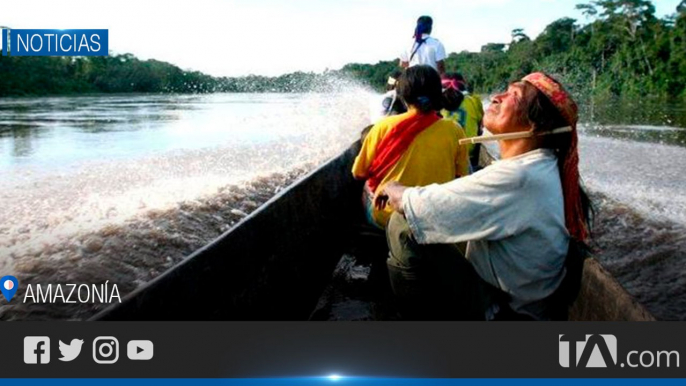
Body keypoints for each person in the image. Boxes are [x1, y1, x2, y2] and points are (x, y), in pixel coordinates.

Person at [374, 72, 593, 320]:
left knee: (403, 224)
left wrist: (392, 187)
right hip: (504, 295)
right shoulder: (538, 166)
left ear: (534, 126)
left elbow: (417, 206)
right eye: (505, 89)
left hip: (503, 312)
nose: (498, 97)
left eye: (514, 96)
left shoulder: (520, 176)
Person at [352, 65, 469, 229]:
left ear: (403, 96)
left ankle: (378, 233)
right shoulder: (455, 129)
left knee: (366, 186)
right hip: (436, 215)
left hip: (391, 217)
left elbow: (358, 173)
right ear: (438, 94)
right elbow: (461, 175)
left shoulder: (382, 127)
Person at [440, 73, 484, 168]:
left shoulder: (436, 103)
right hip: (468, 153)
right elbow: (481, 124)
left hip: (443, 153)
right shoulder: (474, 100)